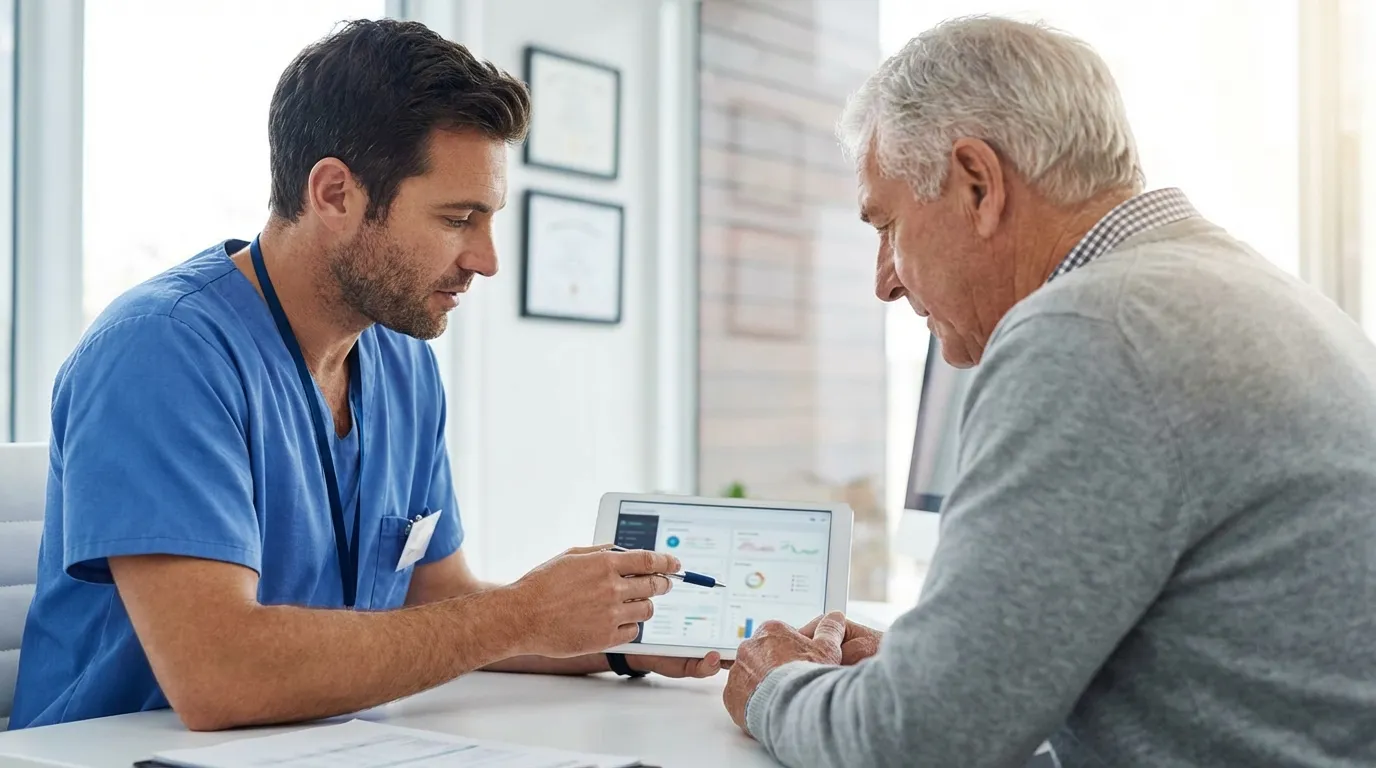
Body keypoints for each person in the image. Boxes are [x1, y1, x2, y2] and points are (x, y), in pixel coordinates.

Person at [11, 19, 720, 732]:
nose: (486, 259)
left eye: (489, 219)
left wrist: (619, 640)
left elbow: (436, 603)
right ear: (334, 194)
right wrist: (525, 612)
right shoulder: (161, 353)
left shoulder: (402, 363)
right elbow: (219, 674)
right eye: (457, 219)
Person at [722, 15, 1376, 768]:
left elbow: (918, 745)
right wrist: (934, 663)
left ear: (978, 183)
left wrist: (775, 686)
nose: (884, 280)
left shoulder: (1094, 329)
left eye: (887, 225)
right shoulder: (1234, 288)